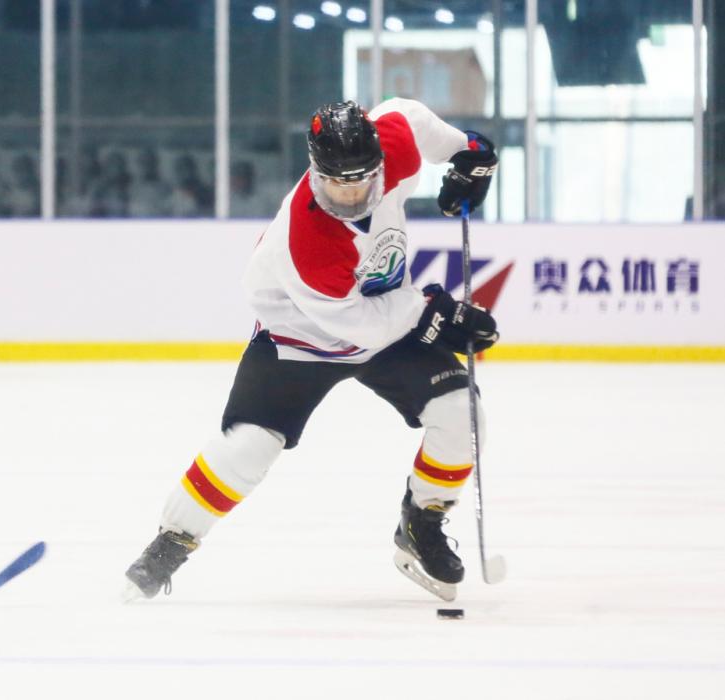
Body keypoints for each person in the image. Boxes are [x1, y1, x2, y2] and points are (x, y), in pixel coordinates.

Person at [123, 99, 500, 603]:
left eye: (361, 181)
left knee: (462, 415)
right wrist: (432, 313)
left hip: (386, 315)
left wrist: (467, 151)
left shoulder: (397, 142)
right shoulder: (306, 243)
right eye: (336, 183)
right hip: (299, 337)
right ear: (316, 171)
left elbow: (413, 117)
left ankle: (422, 521)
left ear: (380, 162)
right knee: (249, 447)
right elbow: (360, 326)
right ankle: (171, 543)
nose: (350, 195)